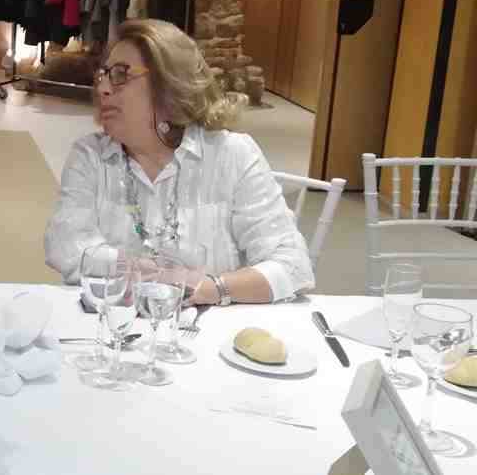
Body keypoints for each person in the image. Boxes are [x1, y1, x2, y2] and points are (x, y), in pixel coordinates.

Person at [44, 19, 312, 304]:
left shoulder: (232, 155)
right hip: (116, 324)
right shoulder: (90, 157)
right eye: (103, 76)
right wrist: (140, 271)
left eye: (120, 75)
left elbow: (292, 266)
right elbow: (66, 247)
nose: (103, 89)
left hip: (209, 328)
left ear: (170, 82)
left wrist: (209, 288)